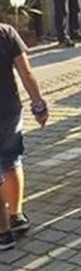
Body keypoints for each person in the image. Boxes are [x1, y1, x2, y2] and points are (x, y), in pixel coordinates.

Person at [0, 22, 48, 247]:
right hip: (9, 111)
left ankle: (3, 233)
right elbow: (26, 72)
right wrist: (38, 104)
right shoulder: (6, 32)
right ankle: (16, 215)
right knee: (11, 161)